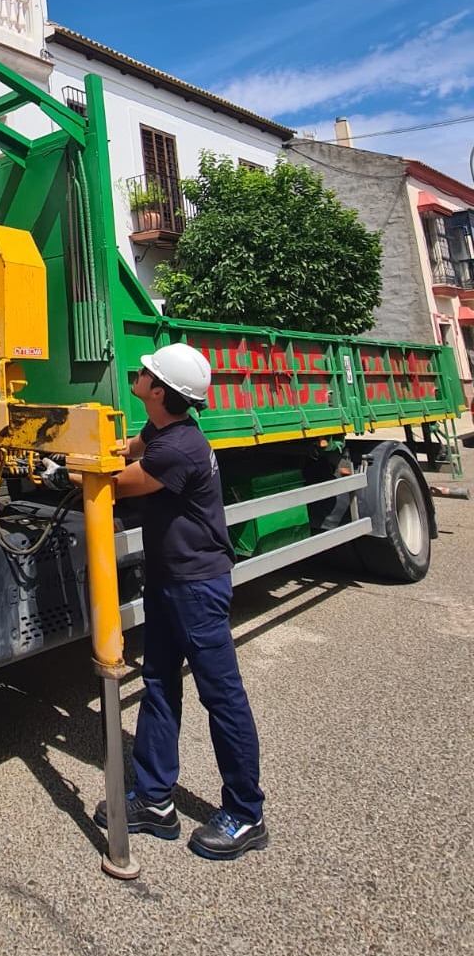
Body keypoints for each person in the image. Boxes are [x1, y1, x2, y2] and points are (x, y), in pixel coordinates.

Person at [92, 342, 267, 860]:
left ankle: (246, 812)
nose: (139, 374)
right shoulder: (162, 430)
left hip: (197, 586)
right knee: (159, 683)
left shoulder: (180, 449)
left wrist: (67, 469)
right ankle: (154, 799)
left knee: (222, 696)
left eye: (147, 373)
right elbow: (125, 448)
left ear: (161, 392)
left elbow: (117, 483)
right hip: (170, 582)